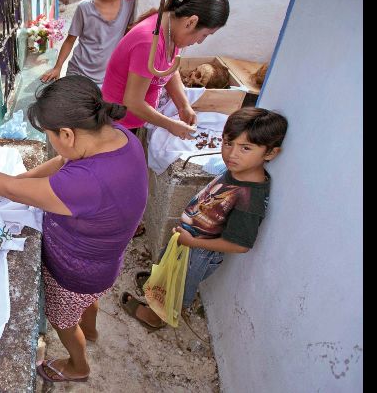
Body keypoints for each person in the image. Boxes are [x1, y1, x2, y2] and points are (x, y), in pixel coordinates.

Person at [0, 75, 148, 383]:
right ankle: (89, 329)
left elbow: (20, 190)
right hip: (104, 264)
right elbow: (63, 164)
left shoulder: (87, 182)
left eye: (49, 135)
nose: (51, 142)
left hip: (75, 272)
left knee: (63, 320)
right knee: (87, 301)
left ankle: (79, 366)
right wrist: (22, 182)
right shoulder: (115, 136)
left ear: (67, 133)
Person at [120, 107, 288, 329]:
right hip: (189, 242)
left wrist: (193, 242)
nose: (231, 154)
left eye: (245, 148)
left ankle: (156, 318)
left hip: (199, 252)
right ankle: (159, 287)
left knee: (179, 289)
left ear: (270, 153)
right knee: (170, 274)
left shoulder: (250, 198)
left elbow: (240, 245)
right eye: (228, 143)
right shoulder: (237, 169)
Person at [101, 0, 230, 138]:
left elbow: (167, 69)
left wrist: (183, 105)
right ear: (191, 22)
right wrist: (170, 125)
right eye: (204, 35)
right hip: (117, 124)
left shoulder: (171, 29)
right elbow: (133, 102)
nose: (200, 41)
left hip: (134, 120)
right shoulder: (149, 43)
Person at [40, 0, 134, 87]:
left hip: (108, 79)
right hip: (79, 74)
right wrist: (58, 67)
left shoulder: (130, 5)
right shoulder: (85, 7)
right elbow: (70, 40)